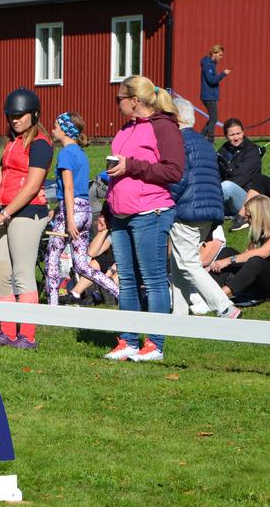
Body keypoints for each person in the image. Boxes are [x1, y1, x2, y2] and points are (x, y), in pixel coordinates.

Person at [103, 76, 185, 362]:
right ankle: (128, 340)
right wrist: (106, 208)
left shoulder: (164, 127)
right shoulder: (126, 129)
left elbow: (174, 171)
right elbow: (119, 170)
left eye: (119, 99)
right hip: (121, 213)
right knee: (126, 280)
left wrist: (131, 166)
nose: (118, 104)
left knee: (152, 280)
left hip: (151, 211)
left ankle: (155, 343)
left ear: (134, 100)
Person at [0, 88, 53, 350]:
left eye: (20, 115)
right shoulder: (11, 142)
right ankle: (7, 332)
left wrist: (5, 213)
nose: (14, 119)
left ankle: (28, 336)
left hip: (27, 212)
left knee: (22, 272)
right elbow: (0, 178)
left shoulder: (40, 144)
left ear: (34, 114)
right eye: (11, 115)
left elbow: (33, 186)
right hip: (3, 212)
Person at [166, 98, 241, 319]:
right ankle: (179, 313)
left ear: (176, 118)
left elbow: (177, 178)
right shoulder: (204, 142)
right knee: (179, 263)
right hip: (209, 209)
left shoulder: (177, 142)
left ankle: (225, 306)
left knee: (188, 263)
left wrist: (166, 201)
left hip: (187, 209)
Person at [43, 112, 119, 307]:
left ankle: (52, 307)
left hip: (72, 211)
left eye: (56, 126)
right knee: (82, 265)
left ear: (66, 130)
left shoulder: (66, 153)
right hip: (85, 212)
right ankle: (118, 292)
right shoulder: (80, 154)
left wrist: (68, 219)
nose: (52, 129)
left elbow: (68, 188)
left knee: (52, 257)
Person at [209, 195, 270, 298]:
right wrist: (223, 262)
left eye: (250, 217)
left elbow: (263, 253)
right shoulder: (260, 232)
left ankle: (219, 298)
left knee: (255, 261)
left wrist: (228, 261)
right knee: (228, 251)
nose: (247, 220)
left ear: (261, 215)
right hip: (264, 280)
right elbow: (246, 256)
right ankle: (206, 293)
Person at [216, 118, 263, 231]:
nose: (236, 137)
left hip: (246, 199)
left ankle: (208, 209)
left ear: (243, 132)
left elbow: (241, 178)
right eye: (232, 135)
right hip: (227, 198)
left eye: (238, 133)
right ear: (226, 136)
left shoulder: (252, 151)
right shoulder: (222, 151)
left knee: (227, 186)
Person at [199, 44, 231, 141]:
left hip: (210, 95)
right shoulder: (208, 65)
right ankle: (210, 140)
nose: (221, 57)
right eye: (220, 55)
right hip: (208, 96)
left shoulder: (211, 64)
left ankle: (200, 137)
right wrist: (223, 74)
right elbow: (211, 80)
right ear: (214, 54)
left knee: (213, 119)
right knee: (214, 119)